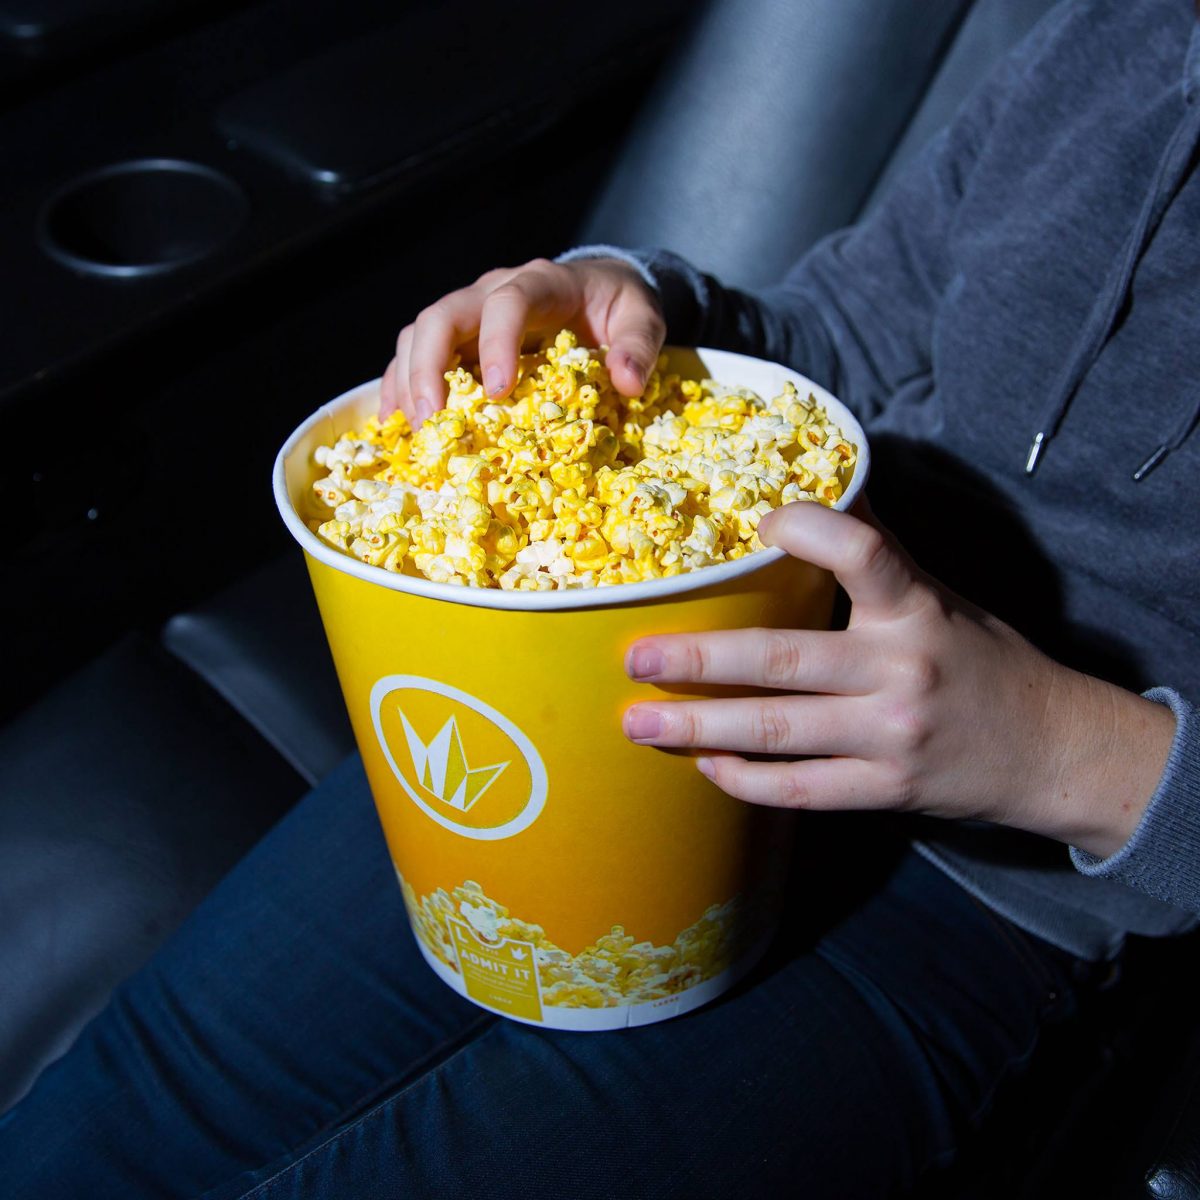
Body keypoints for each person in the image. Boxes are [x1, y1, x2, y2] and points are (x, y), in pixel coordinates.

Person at [3, 0, 1198, 1195]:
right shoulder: (1123, 25)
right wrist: (617, 297)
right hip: (658, 661)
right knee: (143, 1089)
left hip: (994, 891)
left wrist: (1058, 753)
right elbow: (854, 323)